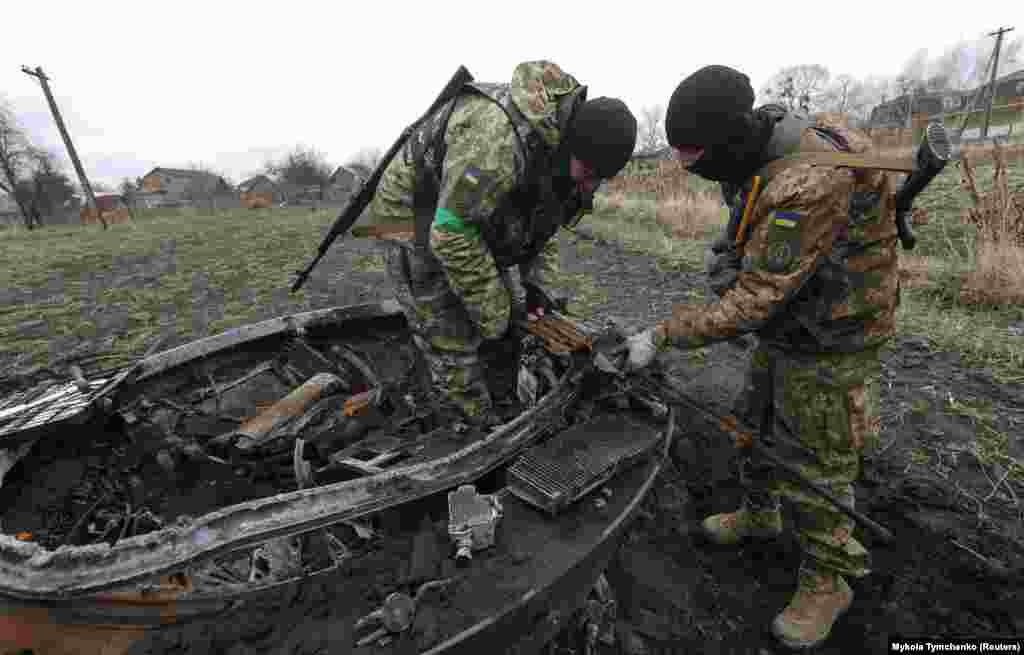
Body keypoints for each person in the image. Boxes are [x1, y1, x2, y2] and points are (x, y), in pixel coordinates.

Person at [624, 65, 899, 649]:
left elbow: (755, 302)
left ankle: (830, 578)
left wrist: (663, 335)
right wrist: (727, 253)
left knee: (814, 460)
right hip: (794, 321)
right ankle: (761, 511)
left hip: (832, 333)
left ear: (729, 139)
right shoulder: (762, 139)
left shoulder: (809, 183)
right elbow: (745, 219)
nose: (692, 171)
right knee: (752, 423)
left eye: (697, 157)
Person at [366, 60, 637, 428]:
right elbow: (451, 233)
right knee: (454, 335)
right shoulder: (496, 142)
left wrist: (536, 284)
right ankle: (470, 426)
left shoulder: (565, 155)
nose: (590, 186)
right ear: (572, 145)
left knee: (506, 321)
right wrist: (495, 315)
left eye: (600, 179)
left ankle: (505, 401)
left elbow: (543, 223)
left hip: (470, 215)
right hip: (413, 215)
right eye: (589, 174)